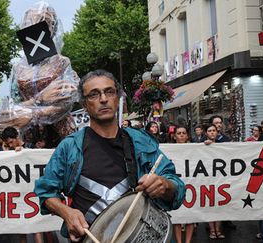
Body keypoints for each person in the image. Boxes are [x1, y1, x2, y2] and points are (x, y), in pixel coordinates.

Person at [34, 70, 185, 241]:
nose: (103, 99)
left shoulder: (141, 142)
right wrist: (67, 213)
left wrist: (165, 185)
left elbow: (177, 188)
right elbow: (46, 192)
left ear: (117, 98)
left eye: (109, 92)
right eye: (94, 94)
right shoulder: (70, 147)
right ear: (84, 103)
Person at [0, 1, 79, 140]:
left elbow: (65, 103)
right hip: (28, 134)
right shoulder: (18, 68)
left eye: (46, 21)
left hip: (61, 132)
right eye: (32, 20)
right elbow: (13, 106)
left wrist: (29, 113)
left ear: (53, 28)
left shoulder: (61, 62)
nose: (38, 24)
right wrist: (40, 99)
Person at [172, 126, 195, 243]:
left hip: (191, 185)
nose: (181, 135)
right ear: (174, 136)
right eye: (179, 133)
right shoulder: (168, 149)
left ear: (187, 136)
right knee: (177, 216)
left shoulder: (195, 149)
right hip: (176, 186)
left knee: (189, 216)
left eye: (183, 133)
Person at [203, 124, 226, 239]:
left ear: (217, 133)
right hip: (207, 180)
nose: (212, 132)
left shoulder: (223, 145)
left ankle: (218, 230)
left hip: (220, 179)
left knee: (219, 206)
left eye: (214, 130)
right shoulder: (201, 146)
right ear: (206, 133)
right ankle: (212, 230)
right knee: (210, 205)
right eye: (209, 131)